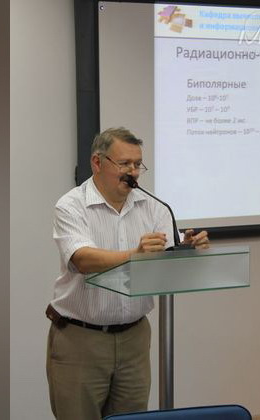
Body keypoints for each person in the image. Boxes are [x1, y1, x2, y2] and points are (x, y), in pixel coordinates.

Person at [46, 127, 209, 419]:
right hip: (81, 339)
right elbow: (82, 259)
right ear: (97, 163)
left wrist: (188, 248)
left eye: (137, 164)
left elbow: (166, 262)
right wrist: (135, 254)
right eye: (124, 164)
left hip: (134, 337)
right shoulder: (71, 205)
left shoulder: (154, 207)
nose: (132, 172)